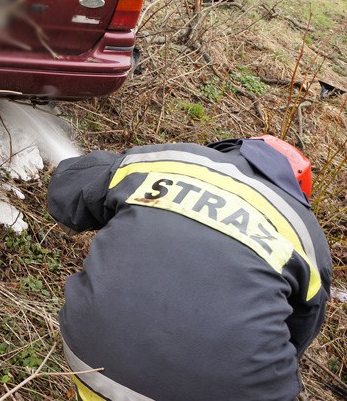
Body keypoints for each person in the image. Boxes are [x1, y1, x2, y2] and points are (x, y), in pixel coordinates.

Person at [47, 136, 332, 401]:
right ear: (298, 192)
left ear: (232, 149)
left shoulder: (171, 160)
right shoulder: (305, 234)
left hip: (90, 356)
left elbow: (69, 186)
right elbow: (299, 334)